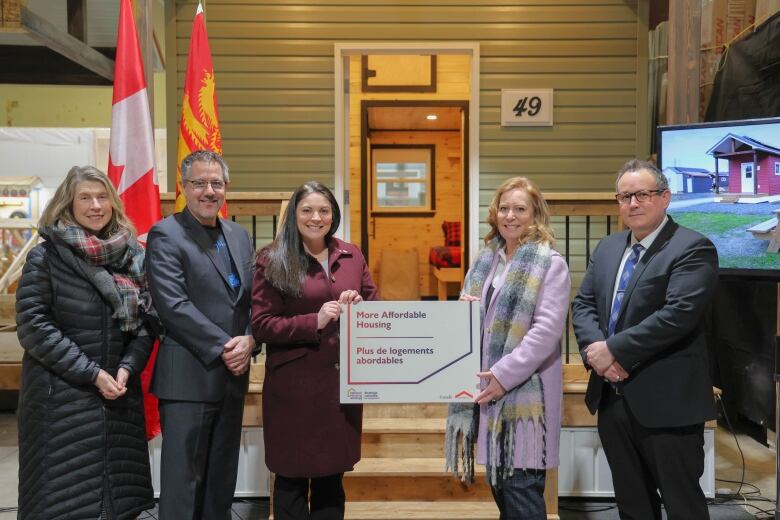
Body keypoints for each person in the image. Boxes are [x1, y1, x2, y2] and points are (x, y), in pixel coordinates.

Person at [571, 159, 719, 520]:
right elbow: (584, 304)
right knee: (632, 505)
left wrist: (614, 350)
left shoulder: (692, 248)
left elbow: (677, 315)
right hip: (613, 400)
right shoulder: (608, 247)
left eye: (642, 194)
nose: (632, 204)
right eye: (624, 196)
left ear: (665, 198)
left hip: (668, 402)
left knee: (683, 505)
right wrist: (597, 354)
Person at [15, 165, 155, 519]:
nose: (95, 205)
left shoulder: (133, 257)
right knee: (63, 505)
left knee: (116, 504)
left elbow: (145, 323)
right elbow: (34, 326)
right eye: (85, 198)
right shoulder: (44, 258)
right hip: (61, 403)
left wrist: (127, 368)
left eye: (102, 196)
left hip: (119, 397)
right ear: (69, 204)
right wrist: (92, 374)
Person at [445, 177, 571, 520]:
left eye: (520, 209)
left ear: (535, 216)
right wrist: (465, 306)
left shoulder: (550, 263)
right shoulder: (487, 260)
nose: (510, 216)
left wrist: (502, 375)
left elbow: (546, 332)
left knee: (522, 496)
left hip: (525, 399)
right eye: (504, 208)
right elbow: (474, 316)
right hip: (490, 395)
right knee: (503, 492)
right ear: (494, 213)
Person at [252, 181, 377, 520]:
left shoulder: (352, 255)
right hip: (293, 386)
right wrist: (315, 320)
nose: (316, 217)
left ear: (333, 215)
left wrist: (359, 304)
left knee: (330, 478)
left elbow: (376, 307)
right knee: (291, 478)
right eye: (307, 210)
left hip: (340, 385)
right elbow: (262, 324)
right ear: (294, 214)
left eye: (324, 210)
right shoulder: (271, 259)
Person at [146, 150, 255, 519]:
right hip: (189, 378)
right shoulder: (166, 234)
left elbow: (253, 299)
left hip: (232, 378)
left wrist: (251, 338)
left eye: (216, 183)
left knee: (221, 479)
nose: (209, 191)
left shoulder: (239, 235)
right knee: (183, 482)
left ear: (226, 188)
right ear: (184, 187)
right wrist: (227, 346)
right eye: (199, 183)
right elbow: (172, 305)